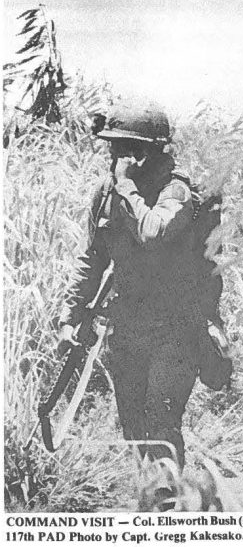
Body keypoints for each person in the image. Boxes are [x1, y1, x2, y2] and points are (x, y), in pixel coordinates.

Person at [59, 103, 210, 466]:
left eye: (126, 149)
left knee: (161, 419)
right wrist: (70, 315)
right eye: (113, 148)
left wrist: (126, 185)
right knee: (133, 426)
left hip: (175, 328)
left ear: (149, 151)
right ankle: (153, 500)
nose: (116, 157)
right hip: (126, 326)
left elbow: (152, 232)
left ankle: (167, 504)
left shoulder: (176, 192)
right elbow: (92, 257)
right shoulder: (107, 194)